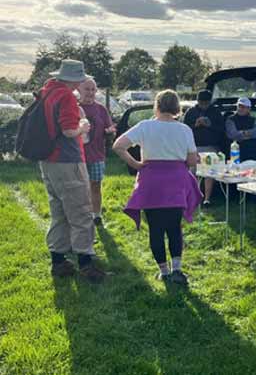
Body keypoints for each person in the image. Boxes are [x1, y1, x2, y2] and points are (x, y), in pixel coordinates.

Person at [113, 90, 202, 285]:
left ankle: (164, 271)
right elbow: (191, 160)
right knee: (174, 227)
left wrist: (136, 164)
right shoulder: (184, 129)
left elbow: (118, 146)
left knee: (156, 229)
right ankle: (177, 269)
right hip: (176, 181)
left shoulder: (145, 126)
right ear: (177, 107)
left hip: (151, 181)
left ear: (157, 106)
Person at [38, 59, 106, 282]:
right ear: (75, 79)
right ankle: (86, 264)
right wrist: (82, 127)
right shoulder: (66, 96)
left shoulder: (47, 91)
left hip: (48, 159)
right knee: (81, 211)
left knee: (58, 211)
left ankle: (58, 261)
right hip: (68, 160)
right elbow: (69, 130)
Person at [78, 78, 116, 227]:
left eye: (93, 89)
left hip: (97, 154)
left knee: (95, 185)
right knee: (80, 187)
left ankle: (97, 215)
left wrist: (110, 132)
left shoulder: (101, 109)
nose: (90, 92)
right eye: (87, 89)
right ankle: (82, 216)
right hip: (78, 156)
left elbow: (109, 128)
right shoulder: (75, 107)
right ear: (79, 90)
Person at [183, 89, 225, 206]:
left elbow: (222, 130)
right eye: (201, 102)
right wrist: (195, 125)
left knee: (208, 173)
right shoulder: (191, 112)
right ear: (198, 101)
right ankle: (193, 197)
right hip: (194, 147)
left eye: (206, 103)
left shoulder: (216, 112)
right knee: (193, 173)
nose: (203, 105)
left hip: (211, 147)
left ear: (210, 101)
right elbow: (184, 129)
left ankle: (207, 199)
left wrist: (209, 125)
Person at [225, 97, 256, 162]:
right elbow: (232, 135)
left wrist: (242, 134)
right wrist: (246, 134)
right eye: (239, 106)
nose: (240, 109)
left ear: (248, 109)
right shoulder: (230, 119)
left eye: (243, 107)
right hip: (235, 153)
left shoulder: (253, 120)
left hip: (251, 153)